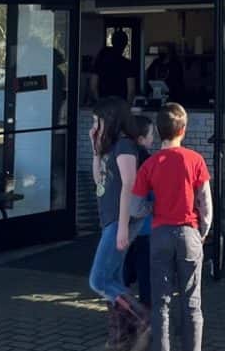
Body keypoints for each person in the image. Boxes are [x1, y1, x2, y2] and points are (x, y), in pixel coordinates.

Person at [132, 103, 211, 351]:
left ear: (158, 129)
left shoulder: (150, 164)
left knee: (161, 302)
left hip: (160, 233)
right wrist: (203, 231)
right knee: (191, 302)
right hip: (189, 232)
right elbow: (205, 202)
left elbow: (135, 207)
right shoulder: (196, 160)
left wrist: (152, 209)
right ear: (183, 130)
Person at [88, 97, 150, 351]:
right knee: (113, 279)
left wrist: (123, 226)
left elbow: (129, 185)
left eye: (97, 121)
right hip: (110, 218)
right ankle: (120, 338)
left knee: (99, 280)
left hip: (119, 219)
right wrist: (95, 150)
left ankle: (142, 318)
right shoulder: (110, 147)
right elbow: (98, 180)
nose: (94, 126)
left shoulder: (125, 146)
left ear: (110, 120)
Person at [123, 115, 157, 309]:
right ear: (142, 138)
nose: (153, 139)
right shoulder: (147, 161)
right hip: (144, 227)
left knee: (124, 272)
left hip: (124, 225)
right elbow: (152, 194)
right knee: (146, 273)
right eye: (151, 135)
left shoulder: (121, 156)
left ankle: (123, 313)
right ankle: (147, 313)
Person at [91, 31, 138, 102]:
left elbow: (93, 87)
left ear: (112, 42)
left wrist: (99, 102)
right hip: (120, 103)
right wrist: (128, 106)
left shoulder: (100, 61)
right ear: (125, 44)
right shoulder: (127, 64)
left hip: (104, 103)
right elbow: (131, 90)